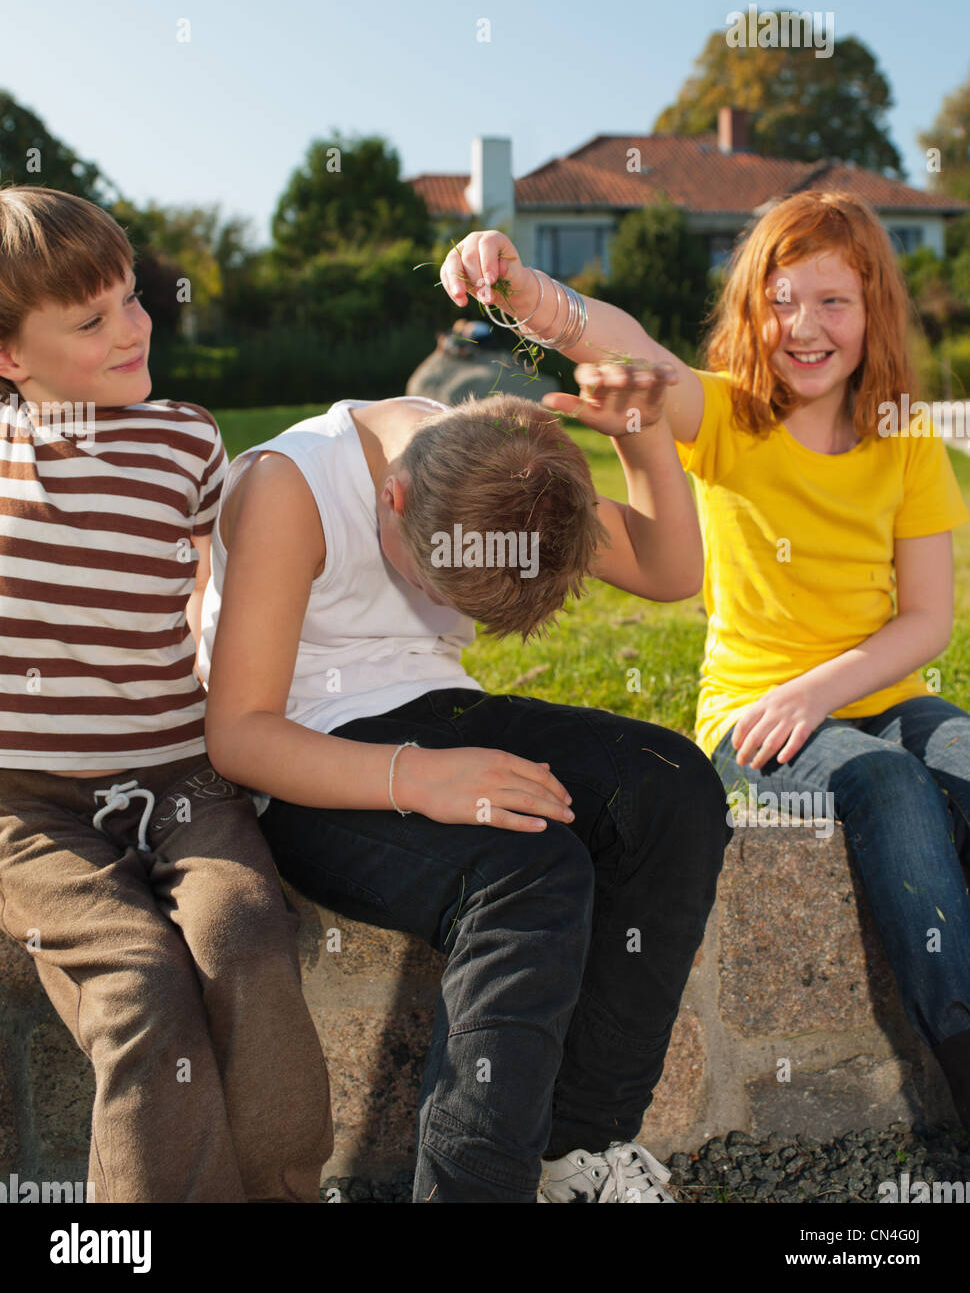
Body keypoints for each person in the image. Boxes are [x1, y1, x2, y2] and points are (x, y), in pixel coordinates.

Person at [199, 237, 732, 1204]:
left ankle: (579, 1152)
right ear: (392, 501)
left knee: (674, 787)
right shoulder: (293, 489)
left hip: (434, 713)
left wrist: (642, 433)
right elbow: (237, 733)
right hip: (304, 753)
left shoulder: (501, 470)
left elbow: (668, 572)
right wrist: (419, 777)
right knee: (527, 868)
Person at [540, 191, 970, 1131]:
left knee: (960, 761)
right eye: (781, 300)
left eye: (833, 303)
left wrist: (826, 689)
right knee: (891, 785)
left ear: (874, 314)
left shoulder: (907, 441)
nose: (804, 327)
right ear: (751, 309)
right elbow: (625, 345)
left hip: (875, 690)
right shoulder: (724, 413)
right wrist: (529, 290)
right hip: (756, 714)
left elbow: (929, 620)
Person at [0, 186, 333, 1202]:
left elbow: (213, 592)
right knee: (140, 983)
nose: (133, 326)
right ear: (10, 357)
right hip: (31, 807)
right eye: (90, 318)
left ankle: (284, 1188)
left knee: (245, 938)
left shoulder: (188, 440)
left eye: (132, 296)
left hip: (181, 779)